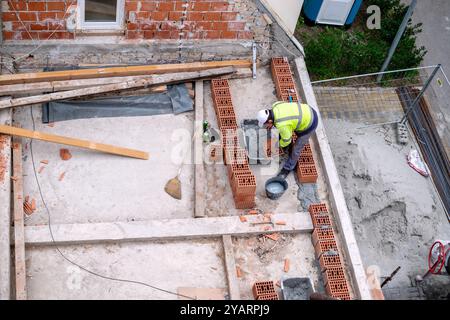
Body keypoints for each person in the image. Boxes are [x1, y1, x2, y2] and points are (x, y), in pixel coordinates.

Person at [257, 101, 319, 179]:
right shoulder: (275, 106)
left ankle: (288, 168)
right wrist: (273, 125)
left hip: (310, 123)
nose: (266, 126)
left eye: (266, 124)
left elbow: (287, 141)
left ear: (270, 121)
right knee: (285, 132)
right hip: (307, 110)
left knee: (296, 149)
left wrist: (276, 145)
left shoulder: (281, 125)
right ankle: (286, 146)